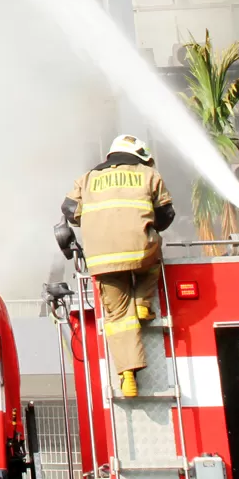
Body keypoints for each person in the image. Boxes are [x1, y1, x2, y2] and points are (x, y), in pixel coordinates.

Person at [61, 134, 175, 399]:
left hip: (103, 259)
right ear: (139, 155)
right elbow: (166, 214)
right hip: (140, 253)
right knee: (154, 250)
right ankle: (143, 302)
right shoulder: (149, 175)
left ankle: (127, 375)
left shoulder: (87, 178)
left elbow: (68, 209)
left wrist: (91, 219)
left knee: (117, 318)